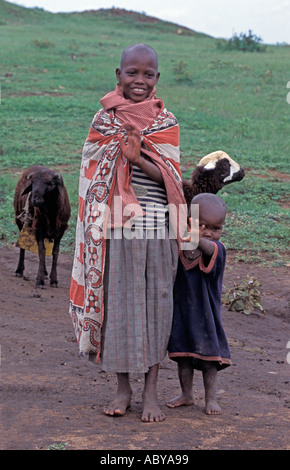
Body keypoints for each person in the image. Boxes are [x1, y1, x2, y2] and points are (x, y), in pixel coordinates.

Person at [69, 44, 187, 422]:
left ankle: (151, 391)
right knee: (116, 302)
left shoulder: (165, 122)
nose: (139, 81)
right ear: (117, 75)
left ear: (157, 79)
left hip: (157, 225)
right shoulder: (103, 122)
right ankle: (123, 387)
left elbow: (172, 178)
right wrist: (122, 154)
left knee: (157, 303)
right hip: (115, 226)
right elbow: (92, 170)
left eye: (147, 74)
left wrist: (138, 160)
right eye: (132, 73)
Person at [167, 193, 231, 415]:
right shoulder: (180, 246)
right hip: (182, 314)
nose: (211, 232)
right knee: (182, 357)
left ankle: (211, 399)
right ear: (189, 221)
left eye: (216, 228)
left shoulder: (217, 249)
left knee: (209, 360)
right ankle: (187, 394)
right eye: (203, 226)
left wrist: (197, 237)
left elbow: (209, 248)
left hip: (206, 316)